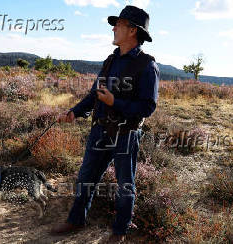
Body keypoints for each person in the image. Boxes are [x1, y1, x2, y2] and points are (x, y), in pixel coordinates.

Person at [51, 5, 159, 243]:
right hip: (100, 130)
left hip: (126, 134)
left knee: (125, 184)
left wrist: (115, 102)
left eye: (118, 24)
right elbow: (93, 95)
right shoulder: (110, 61)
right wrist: (74, 112)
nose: (113, 28)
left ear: (132, 30)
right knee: (86, 177)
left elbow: (148, 107)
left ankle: (119, 232)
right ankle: (76, 220)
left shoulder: (147, 65)